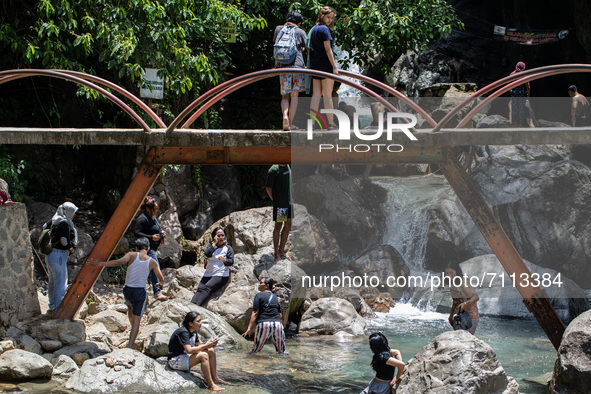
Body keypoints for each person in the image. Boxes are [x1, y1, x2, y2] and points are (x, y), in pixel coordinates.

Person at [88, 237, 165, 348]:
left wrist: (100, 263)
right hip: (140, 292)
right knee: (137, 319)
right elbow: (160, 278)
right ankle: (130, 346)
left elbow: (118, 262)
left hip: (127, 290)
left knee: (130, 309)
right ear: (148, 248)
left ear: (136, 248)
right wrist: (160, 284)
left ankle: (133, 331)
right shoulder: (152, 261)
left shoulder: (131, 255)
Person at [167, 311, 227, 391]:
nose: (200, 323)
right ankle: (211, 385)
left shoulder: (194, 331)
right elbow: (189, 350)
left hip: (184, 357)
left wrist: (210, 345)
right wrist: (205, 345)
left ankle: (215, 378)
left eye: (200, 320)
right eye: (198, 321)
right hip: (175, 360)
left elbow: (198, 346)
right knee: (203, 356)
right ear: (190, 323)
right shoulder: (183, 332)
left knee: (211, 351)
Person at [274, 11, 307, 131]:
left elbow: (276, 48)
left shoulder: (278, 29)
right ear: (299, 22)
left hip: (283, 66)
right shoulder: (300, 31)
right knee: (295, 96)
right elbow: (307, 47)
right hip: (297, 66)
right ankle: (291, 123)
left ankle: (284, 117)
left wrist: (277, 66)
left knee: (285, 96)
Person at [43, 202, 78, 314]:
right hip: (59, 255)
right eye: (73, 212)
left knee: (52, 282)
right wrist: (71, 248)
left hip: (50, 255)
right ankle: (58, 310)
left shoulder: (54, 220)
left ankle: (51, 306)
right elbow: (64, 241)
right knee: (61, 283)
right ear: (68, 212)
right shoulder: (64, 223)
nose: (73, 215)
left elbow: (44, 226)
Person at [309, 6, 338, 129]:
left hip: (315, 63)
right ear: (322, 16)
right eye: (328, 17)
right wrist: (335, 67)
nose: (330, 20)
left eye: (331, 18)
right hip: (325, 64)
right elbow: (328, 50)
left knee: (316, 94)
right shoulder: (325, 30)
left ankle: (312, 123)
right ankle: (330, 123)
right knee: (327, 94)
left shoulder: (314, 29)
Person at [134, 196, 168, 300]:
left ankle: (137, 292)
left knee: (145, 270)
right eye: (154, 209)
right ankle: (157, 293)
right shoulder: (143, 219)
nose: (156, 211)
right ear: (148, 208)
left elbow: (157, 227)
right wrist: (150, 237)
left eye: (157, 208)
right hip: (146, 248)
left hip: (152, 247)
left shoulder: (153, 216)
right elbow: (136, 232)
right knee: (155, 268)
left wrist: (161, 232)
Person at [242, 277, 287, 354]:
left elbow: (255, 313)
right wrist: (282, 326)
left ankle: (250, 364)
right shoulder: (275, 298)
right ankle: (282, 365)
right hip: (277, 325)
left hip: (264, 324)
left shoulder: (259, 296)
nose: (259, 285)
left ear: (267, 285)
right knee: (282, 352)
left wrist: (249, 328)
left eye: (261, 283)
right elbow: (280, 314)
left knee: (255, 351)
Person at [191, 227, 234, 306]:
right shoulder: (211, 246)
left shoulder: (228, 248)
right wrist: (214, 243)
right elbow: (207, 254)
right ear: (214, 236)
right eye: (218, 235)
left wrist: (225, 260)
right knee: (200, 288)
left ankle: (196, 306)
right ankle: (191, 305)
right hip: (209, 273)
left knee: (207, 287)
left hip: (221, 274)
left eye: (222, 235)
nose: (221, 237)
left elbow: (231, 261)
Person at [266, 164, 293, 261]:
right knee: (278, 226)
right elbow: (268, 188)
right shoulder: (274, 169)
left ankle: (282, 250)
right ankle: (276, 253)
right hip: (280, 203)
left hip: (289, 202)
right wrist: (275, 200)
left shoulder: (288, 166)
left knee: (288, 224)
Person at [445, 262, 480, 335]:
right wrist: (451, 315)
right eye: (447, 273)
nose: (449, 275)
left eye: (451, 273)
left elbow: (476, 297)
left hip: (471, 317)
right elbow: (455, 301)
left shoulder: (464, 281)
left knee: (466, 341)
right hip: (460, 317)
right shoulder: (452, 282)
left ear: (457, 272)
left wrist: (466, 303)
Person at [508, 61, 531, 128]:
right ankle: (520, 124)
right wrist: (528, 94)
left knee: (514, 108)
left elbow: (508, 83)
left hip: (515, 93)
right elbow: (528, 86)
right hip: (522, 94)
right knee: (521, 109)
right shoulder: (524, 75)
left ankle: (514, 124)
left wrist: (511, 90)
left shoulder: (513, 74)